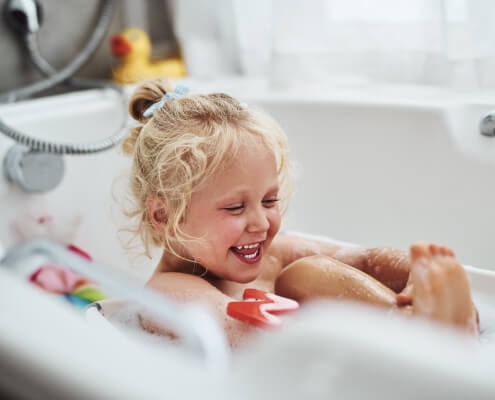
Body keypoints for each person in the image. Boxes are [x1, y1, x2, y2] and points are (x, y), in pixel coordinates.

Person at [120, 78, 479, 347]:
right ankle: (419, 329)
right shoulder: (169, 293)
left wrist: (415, 277)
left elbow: (367, 260)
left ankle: (420, 320)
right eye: (235, 207)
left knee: (307, 273)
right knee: (302, 278)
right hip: (308, 368)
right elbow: (250, 341)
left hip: (358, 349)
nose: (261, 223)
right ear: (165, 217)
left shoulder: (275, 257)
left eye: (270, 201)